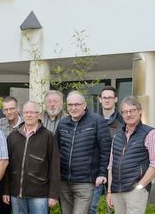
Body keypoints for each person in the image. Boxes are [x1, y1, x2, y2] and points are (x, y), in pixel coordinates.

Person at [56, 91, 111, 214]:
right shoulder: (62, 123)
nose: (73, 108)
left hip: (86, 181)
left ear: (84, 105)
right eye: (70, 105)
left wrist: (102, 173)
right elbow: (56, 150)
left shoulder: (97, 121)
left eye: (77, 104)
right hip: (64, 181)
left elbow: (106, 150)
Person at [1, 101, 60, 214]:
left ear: (39, 115)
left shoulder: (48, 137)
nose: (29, 115)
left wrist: (53, 194)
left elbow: (54, 167)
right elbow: (7, 166)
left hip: (40, 194)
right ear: (22, 114)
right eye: (26, 112)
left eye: (33, 112)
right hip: (16, 193)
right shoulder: (12, 137)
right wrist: (6, 190)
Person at [106, 96, 155, 214]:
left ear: (140, 111)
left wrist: (140, 187)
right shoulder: (117, 136)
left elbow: (154, 164)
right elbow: (111, 165)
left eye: (132, 110)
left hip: (135, 191)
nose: (129, 114)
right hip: (117, 191)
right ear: (122, 114)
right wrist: (109, 191)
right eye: (125, 112)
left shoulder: (149, 133)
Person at [89, 86, 124, 214]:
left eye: (110, 97)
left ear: (115, 99)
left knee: (117, 209)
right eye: (104, 98)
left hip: (117, 172)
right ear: (100, 100)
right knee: (90, 207)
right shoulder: (93, 121)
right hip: (97, 171)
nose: (107, 100)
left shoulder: (123, 121)